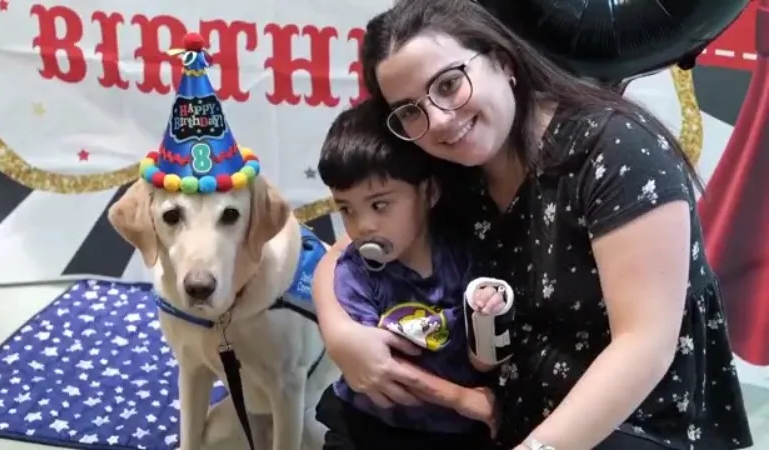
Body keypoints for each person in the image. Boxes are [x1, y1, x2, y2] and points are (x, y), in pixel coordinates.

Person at [311, 0, 754, 449]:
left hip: (636, 421)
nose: (440, 120)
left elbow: (643, 347)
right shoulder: (446, 169)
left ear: (503, 62)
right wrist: (341, 335)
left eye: (448, 84)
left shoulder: (616, 150)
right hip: (504, 413)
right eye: (409, 111)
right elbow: (347, 248)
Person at [314, 99, 513, 450]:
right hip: (367, 428)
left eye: (380, 205)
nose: (363, 226)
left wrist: (488, 318)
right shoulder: (354, 273)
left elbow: (482, 362)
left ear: (430, 192)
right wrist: (461, 399)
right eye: (346, 209)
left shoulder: (466, 254)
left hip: (456, 433)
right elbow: (379, 370)